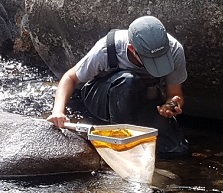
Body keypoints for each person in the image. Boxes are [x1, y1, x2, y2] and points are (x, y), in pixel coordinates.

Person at [46, 16, 190, 158]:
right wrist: (58, 111)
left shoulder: (174, 50)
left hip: (143, 100)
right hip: (101, 98)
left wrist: (171, 105)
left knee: (177, 149)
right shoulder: (107, 48)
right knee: (128, 81)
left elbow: (175, 93)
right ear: (132, 49)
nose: (157, 64)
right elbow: (70, 77)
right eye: (150, 60)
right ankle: (121, 143)